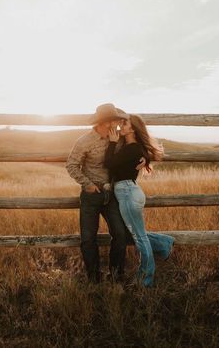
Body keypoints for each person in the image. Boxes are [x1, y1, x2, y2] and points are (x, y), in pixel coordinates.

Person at [66, 103, 144, 284]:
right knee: (88, 238)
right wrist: (88, 185)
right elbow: (71, 165)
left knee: (120, 235)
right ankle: (93, 277)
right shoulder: (84, 141)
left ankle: (116, 274)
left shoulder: (118, 139)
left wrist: (144, 157)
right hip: (91, 195)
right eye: (113, 121)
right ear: (103, 122)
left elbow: (136, 146)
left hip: (113, 194)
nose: (116, 124)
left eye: (117, 120)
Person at [104, 114, 175, 288]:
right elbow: (131, 158)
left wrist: (112, 142)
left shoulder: (132, 148)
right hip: (128, 191)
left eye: (125, 123)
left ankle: (146, 279)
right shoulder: (132, 148)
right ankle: (164, 243)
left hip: (128, 192)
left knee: (139, 237)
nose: (121, 126)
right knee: (133, 234)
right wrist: (146, 158)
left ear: (133, 128)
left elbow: (109, 163)